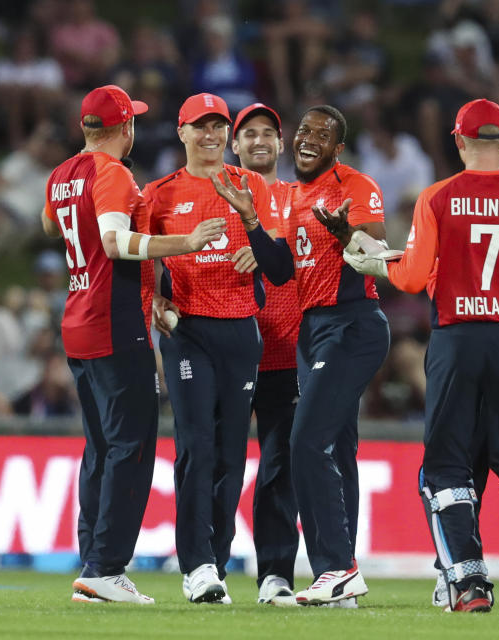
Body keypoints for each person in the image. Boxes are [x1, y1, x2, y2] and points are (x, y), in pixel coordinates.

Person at [344, 99, 499, 612]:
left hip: (457, 338)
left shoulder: (436, 197)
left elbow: (409, 278)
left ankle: (468, 583)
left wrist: (377, 262)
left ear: (459, 141)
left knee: (448, 469)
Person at [41, 85, 224, 604]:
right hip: (113, 323)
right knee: (132, 446)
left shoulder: (62, 175)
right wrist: (183, 244)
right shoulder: (113, 174)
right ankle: (105, 568)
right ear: (126, 128)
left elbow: (50, 224)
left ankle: (92, 562)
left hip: (77, 320)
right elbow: (115, 243)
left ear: (84, 129)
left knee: (99, 448)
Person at [210, 104, 390, 606]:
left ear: (338, 149)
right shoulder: (291, 199)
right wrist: (250, 218)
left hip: (351, 323)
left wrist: (345, 234)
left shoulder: (355, 185)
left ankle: (336, 567)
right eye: (305, 131)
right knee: (333, 449)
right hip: (313, 333)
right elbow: (282, 270)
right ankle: (342, 578)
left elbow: (377, 250)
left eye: (323, 134)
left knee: (307, 441)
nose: (310, 139)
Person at [143, 93, 274, 605]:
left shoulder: (252, 185)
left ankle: (216, 560)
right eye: (200, 127)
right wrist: (152, 298)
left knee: (231, 456)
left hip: (241, 330)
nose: (211, 135)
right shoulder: (159, 194)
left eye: (218, 126)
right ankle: (196, 564)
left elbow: (278, 251)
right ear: (181, 133)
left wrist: (258, 252)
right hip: (188, 330)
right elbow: (135, 256)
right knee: (196, 447)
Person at [230, 102, 302, 606]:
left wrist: (275, 249)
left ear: (281, 144)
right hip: (228, 350)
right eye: (249, 133)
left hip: (287, 350)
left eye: (268, 134)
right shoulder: (216, 194)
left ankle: (275, 574)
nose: (259, 141)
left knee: (280, 467)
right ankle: (205, 568)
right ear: (235, 145)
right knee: (218, 462)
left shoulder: (300, 198)